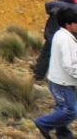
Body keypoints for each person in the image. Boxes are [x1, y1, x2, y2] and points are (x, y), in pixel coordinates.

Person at [36, 7, 77, 138]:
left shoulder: (61, 35)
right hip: (63, 83)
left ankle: (64, 135)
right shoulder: (66, 39)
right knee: (70, 111)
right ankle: (43, 123)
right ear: (68, 24)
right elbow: (70, 65)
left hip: (58, 80)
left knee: (62, 108)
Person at [36, 0, 77, 81]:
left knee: (46, 56)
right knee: (67, 59)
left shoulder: (55, 4)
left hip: (52, 36)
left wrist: (58, 0)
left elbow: (47, 7)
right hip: (70, 38)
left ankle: (38, 77)